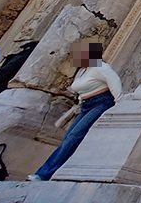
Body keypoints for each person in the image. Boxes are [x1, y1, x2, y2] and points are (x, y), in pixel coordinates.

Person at [28, 41, 121, 181]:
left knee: (74, 136)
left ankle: (43, 174)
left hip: (102, 103)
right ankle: (55, 172)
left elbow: (115, 84)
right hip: (86, 105)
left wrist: (119, 105)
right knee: (69, 137)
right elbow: (80, 88)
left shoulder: (101, 67)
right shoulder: (82, 71)